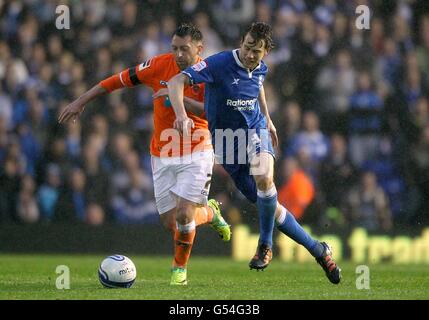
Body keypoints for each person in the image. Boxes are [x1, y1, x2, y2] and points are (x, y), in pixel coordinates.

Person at [167, 22, 341, 284]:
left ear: (265, 53)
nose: (250, 55)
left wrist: (268, 119)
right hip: (226, 143)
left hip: (255, 132)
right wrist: (181, 113)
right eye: (247, 47)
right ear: (242, 41)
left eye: (256, 51)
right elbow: (176, 80)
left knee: (264, 179)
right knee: (268, 205)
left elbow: (257, 83)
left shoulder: (261, 67)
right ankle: (319, 250)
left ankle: (265, 244)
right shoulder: (219, 63)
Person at [58, 23, 231, 285]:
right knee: (171, 222)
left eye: (184, 49)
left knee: (185, 215)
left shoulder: (211, 74)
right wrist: (81, 100)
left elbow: (214, 114)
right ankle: (209, 213)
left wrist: (179, 101)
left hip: (198, 150)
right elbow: (116, 81)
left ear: (199, 50)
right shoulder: (159, 66)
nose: (178, 55)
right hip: (162, 153)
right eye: (174, 48)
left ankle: (178, 271)